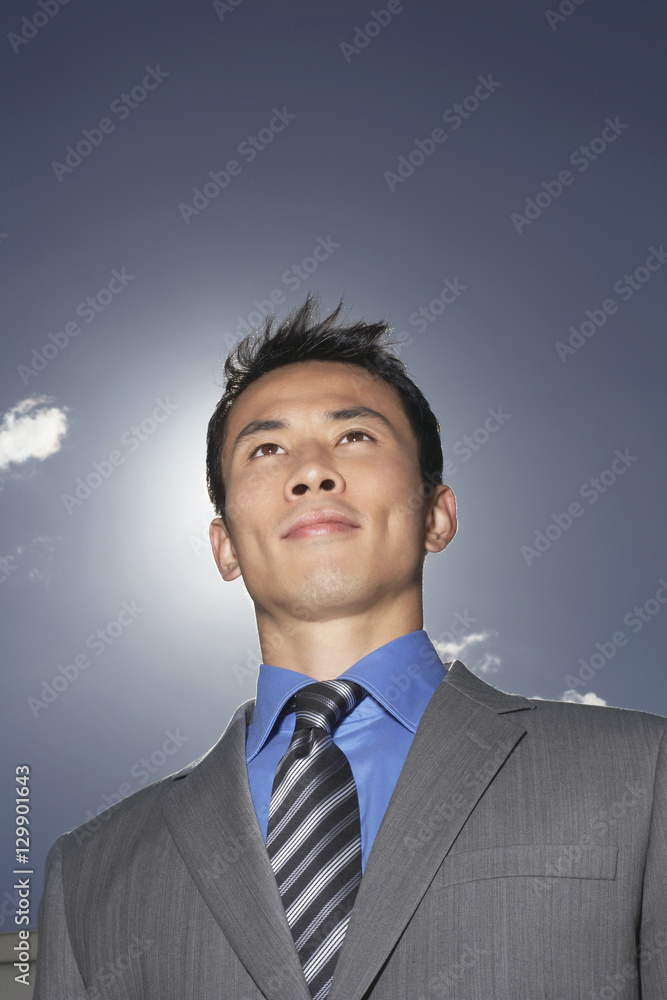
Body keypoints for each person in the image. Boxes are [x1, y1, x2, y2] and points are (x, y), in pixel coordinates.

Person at [34, 294, 666, 999]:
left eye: (355, 436)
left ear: (436, 514)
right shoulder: (88, 871)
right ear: (225, 548)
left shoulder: (641, 773)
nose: (310, 472)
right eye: (266, 449)